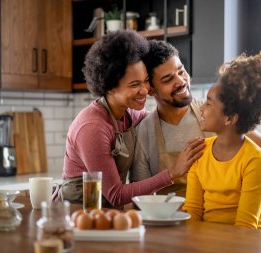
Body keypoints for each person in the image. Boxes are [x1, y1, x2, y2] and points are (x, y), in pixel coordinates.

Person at [131, 40, 261, 196]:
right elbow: (140, 197)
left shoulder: (215, 112)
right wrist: (173, 172)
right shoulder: (145, 131)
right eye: (168, 79)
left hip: (219, 224)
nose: (181, 81)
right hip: (170, 224)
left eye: (181, 71)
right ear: (151, 90)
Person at [61, 31, 201, 208]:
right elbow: (116, 195)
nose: (145, 90)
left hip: (106, 210)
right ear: (109, 87)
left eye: (146, 81)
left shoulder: (129, 116)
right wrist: (172, 173)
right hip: (78, 210)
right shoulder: (92, 127)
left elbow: (159, 118)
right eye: (135, 85)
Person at [182, 53, 261, 229]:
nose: (201, 108)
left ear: (229, 118)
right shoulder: (200, 151)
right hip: (209, 243)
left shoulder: (255, 160)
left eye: (209, 104)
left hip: (249, 244)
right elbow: (193, 212)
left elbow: (245, 226)